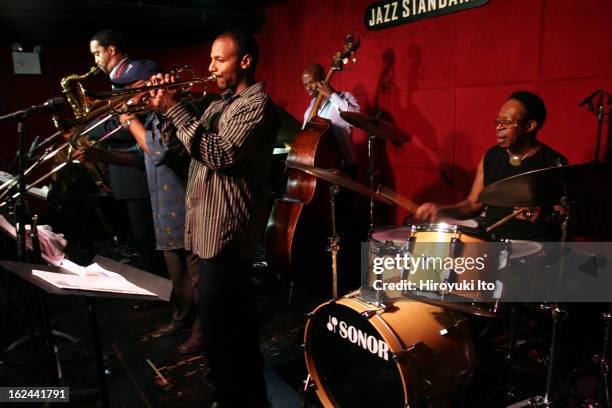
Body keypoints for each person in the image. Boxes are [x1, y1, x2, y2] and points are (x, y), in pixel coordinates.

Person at [148, 29, 279, 407]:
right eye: (211, 59)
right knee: (220, 327)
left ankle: (242, 396)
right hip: (204, 228)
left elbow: (219, 153)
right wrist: (165, 110)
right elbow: (183, 149)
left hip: (226, 233)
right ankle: (230, 392)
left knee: (229, 327)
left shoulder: (257, 106)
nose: (210, 67)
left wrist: (176, 108)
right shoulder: (218, 105)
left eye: (219, 60)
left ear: (245, 61)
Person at [415, 90, 568, 241]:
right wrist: (440, 211)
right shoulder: (491, 156)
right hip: (493, 244)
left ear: (529, 126)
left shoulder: (553, 162)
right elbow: (472, 205)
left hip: (536, 248)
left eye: (507, 122)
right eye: (498, 121)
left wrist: (545, 215)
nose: (499, 127)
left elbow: (565, 216)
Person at [87, 29, 160, 276]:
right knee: (139, 235)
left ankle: (159, 286)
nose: (95, 60)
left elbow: (134, 122)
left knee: (146, 235)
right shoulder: (118, 79)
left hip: (139, 167)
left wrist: (93, 130)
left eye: (97, 53)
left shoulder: (137, 72)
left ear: (112, 50)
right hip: (125, 167)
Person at [302, 62, 360, 174]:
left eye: (311, 82)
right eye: (305, 85)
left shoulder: (345, 97)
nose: (308, 88)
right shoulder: (309, 111)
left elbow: (357, 119)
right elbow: (304, 139)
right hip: (320, 169)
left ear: (323, 78)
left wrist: (332, 95)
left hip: (345, 166)